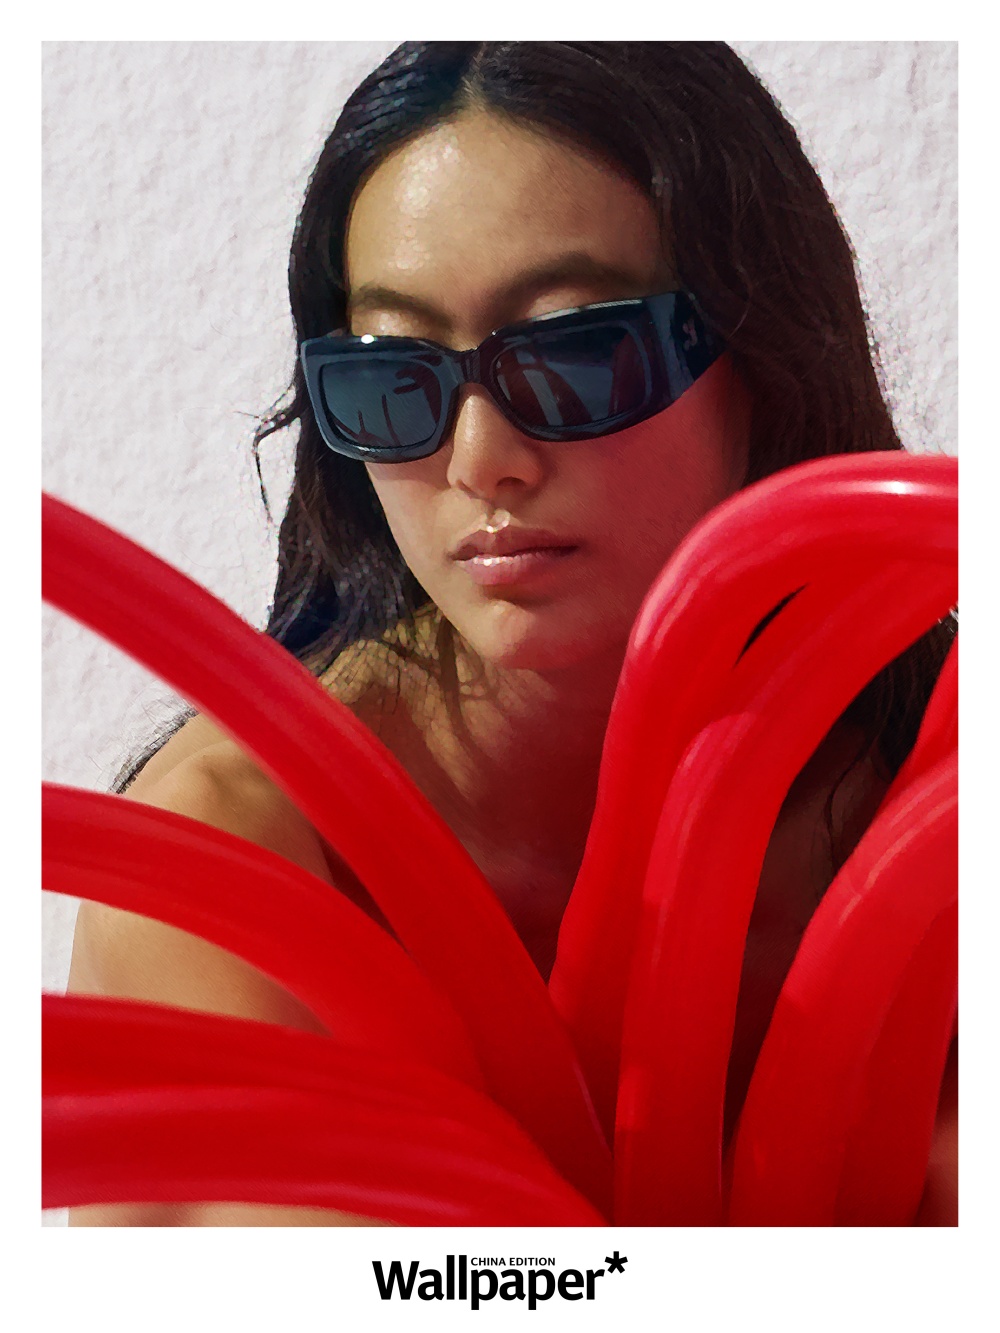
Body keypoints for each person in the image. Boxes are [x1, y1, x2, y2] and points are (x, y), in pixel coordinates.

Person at [65, 41, 956, 1226]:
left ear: (765, 359)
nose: (481, 458)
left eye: (578, 351)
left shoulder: (931, 802)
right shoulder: (225, 859)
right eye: (391, 377)